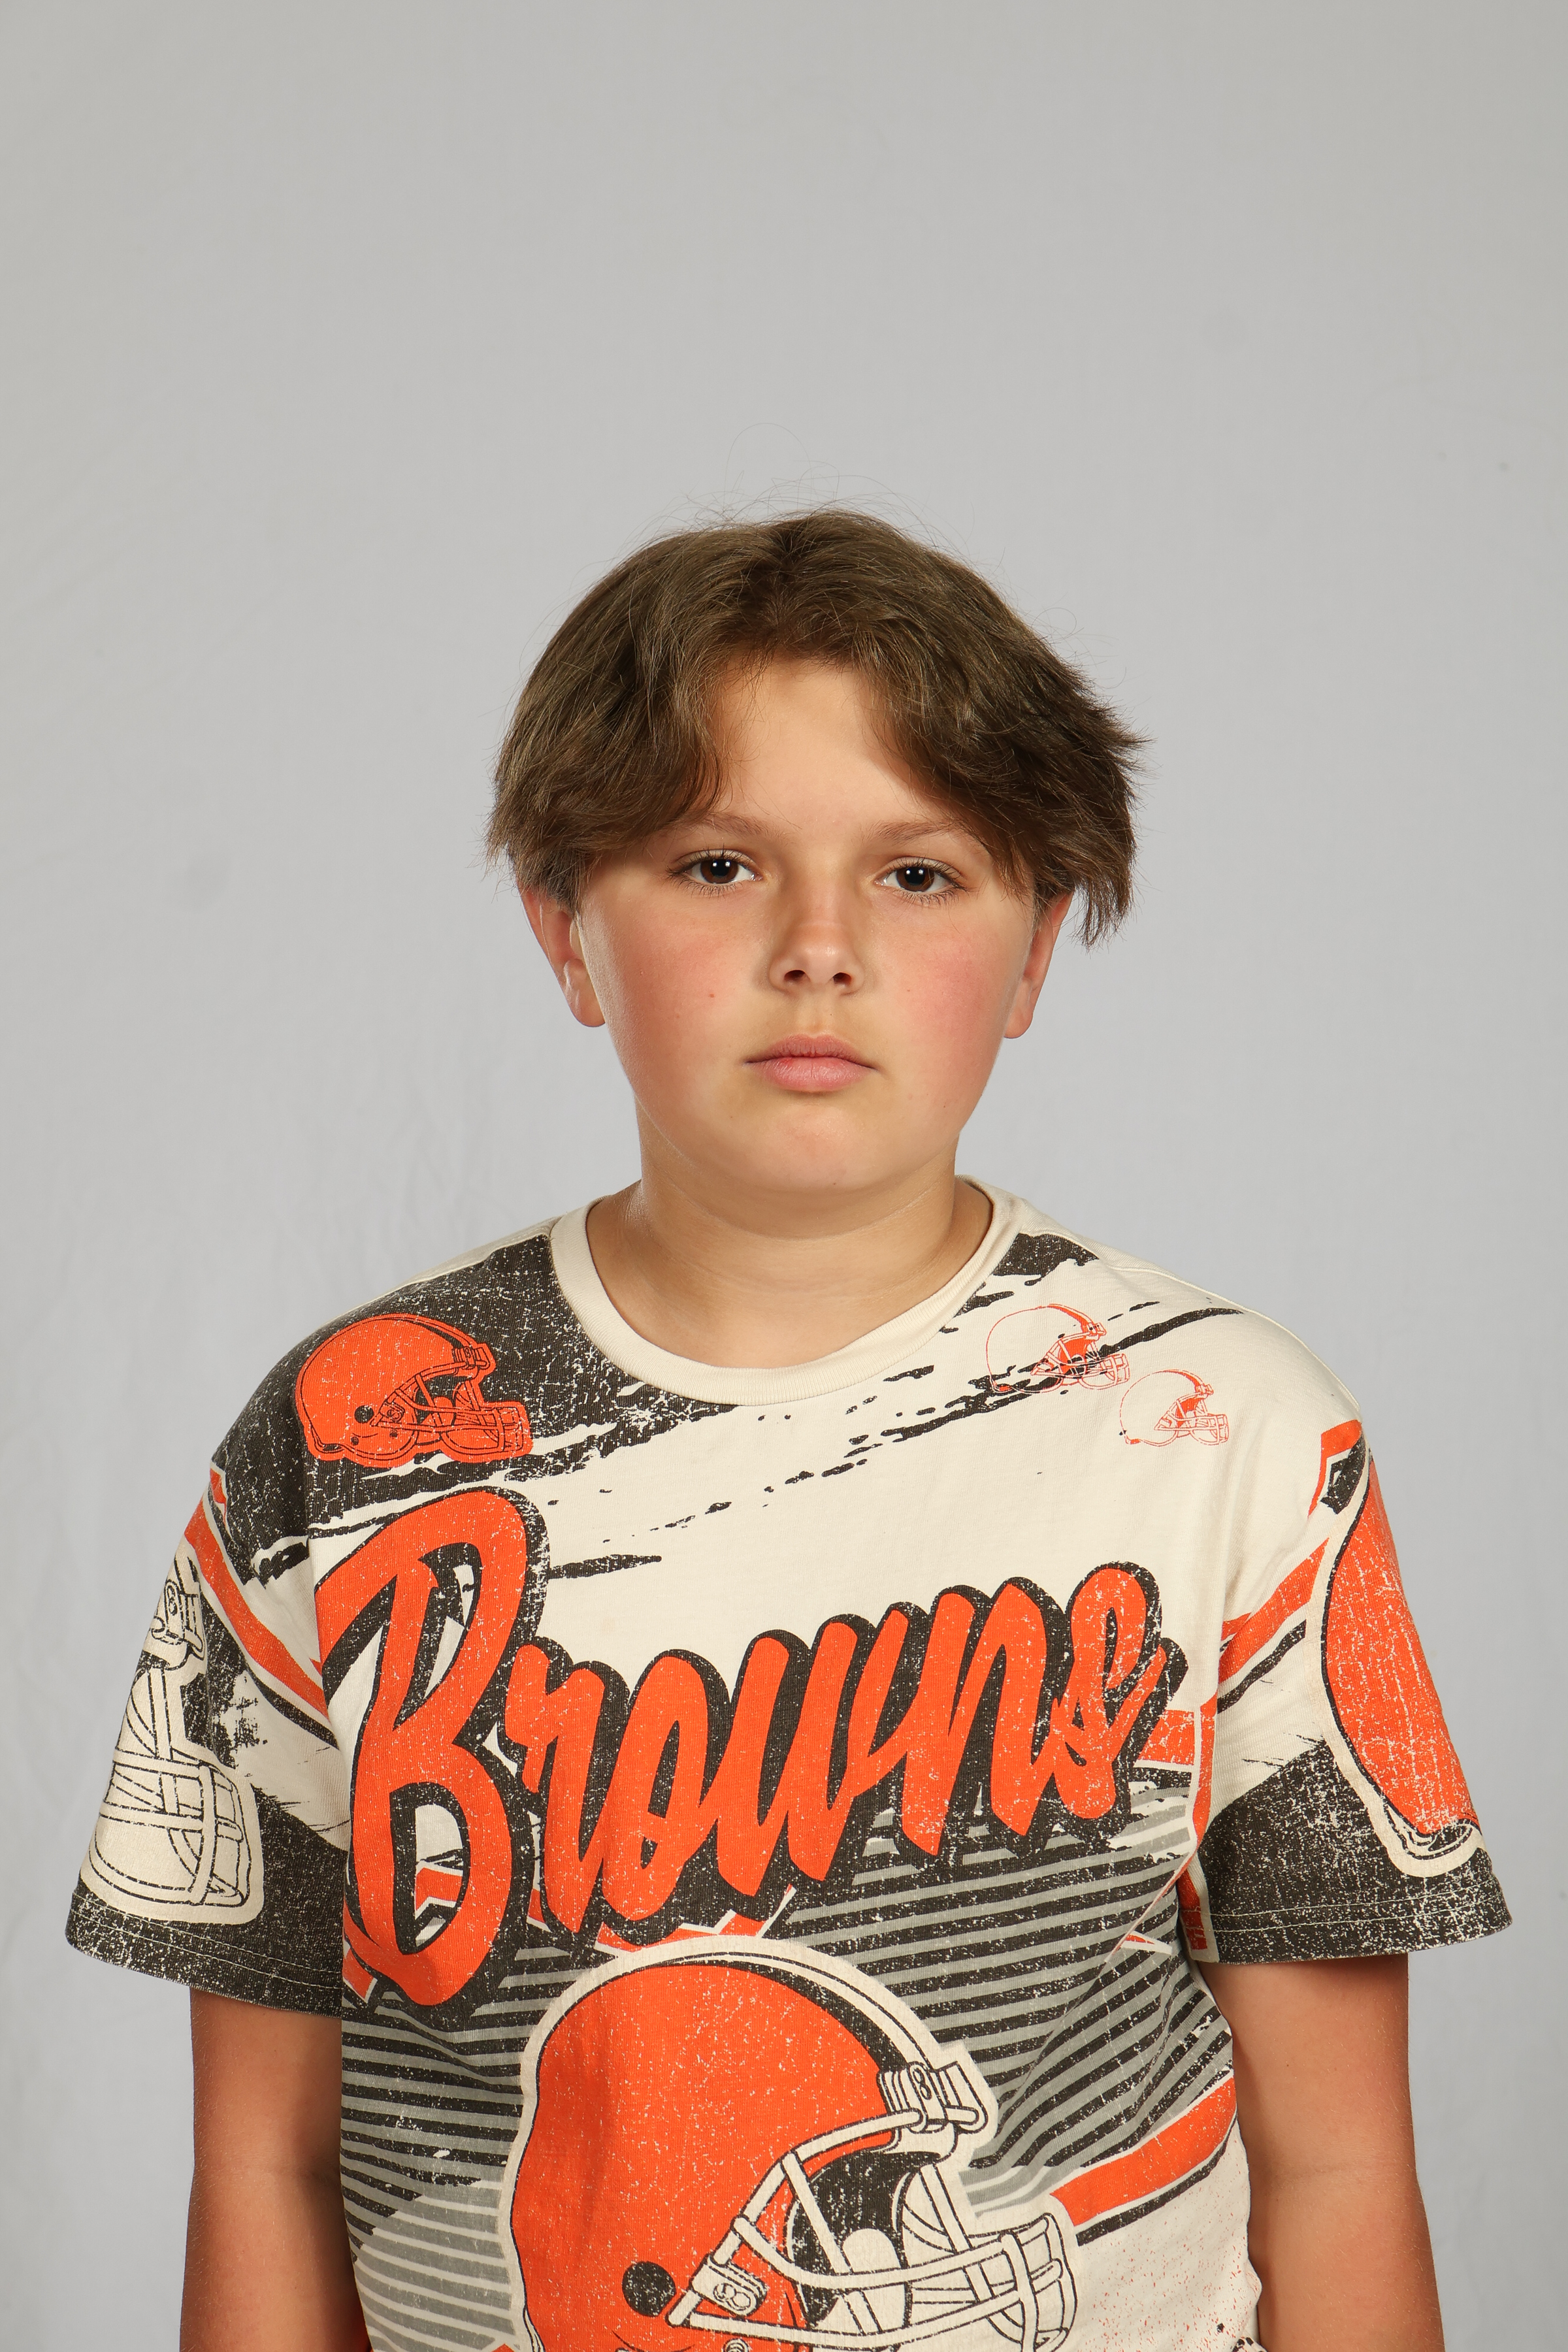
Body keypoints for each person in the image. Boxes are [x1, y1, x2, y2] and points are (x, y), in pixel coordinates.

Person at [68, 511, 1508, 2352]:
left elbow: (1340, 2166)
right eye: (719, 863)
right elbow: (266, 2167)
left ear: (1037, 951)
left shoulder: (1234, 1435)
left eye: (919, 874)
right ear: (568, 933)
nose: (820, 947)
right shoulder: (345, 1452)